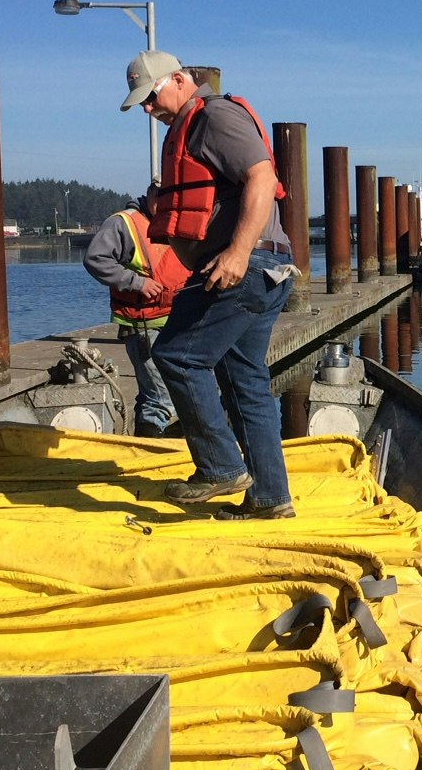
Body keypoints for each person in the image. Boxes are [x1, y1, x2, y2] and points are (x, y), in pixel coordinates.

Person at [120, 49, 298, 520]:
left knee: (176, 355)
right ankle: (270, 497)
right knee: (245, 380)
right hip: (262, 270)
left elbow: (262, 177)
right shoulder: (190, 128)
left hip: (246, 268)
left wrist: (238, 253)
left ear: (179, 80)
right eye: (140, 101)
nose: (147, 108)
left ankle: (220, 467)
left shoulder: (214, 118)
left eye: (151, 95)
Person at [82, 194, 190, 437]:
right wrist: (136, 283)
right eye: (161, 197)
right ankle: (152, 450)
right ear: (151, 193)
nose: (166, 204)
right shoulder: (124, 222)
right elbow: (95, 259)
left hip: (176, 318)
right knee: (162, 396)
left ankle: (147, 442)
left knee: (156, 392)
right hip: (142, 324)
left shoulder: (178, 221)